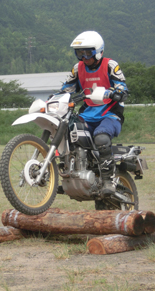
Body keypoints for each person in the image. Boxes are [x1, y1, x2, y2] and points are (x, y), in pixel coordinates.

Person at [59, 31, 128, 197]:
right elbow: (66, 89)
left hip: (110, 114)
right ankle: (66, 174)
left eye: (88, 52)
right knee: (67, 132)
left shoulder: (110, 65)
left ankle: (108, 180)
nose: (84, 57)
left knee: (101, 138)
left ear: (98, 51)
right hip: (88, 113)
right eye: (79, 53)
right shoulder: (77, 69)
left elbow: (122, 86)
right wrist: (56, 97)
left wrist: (114, 92)